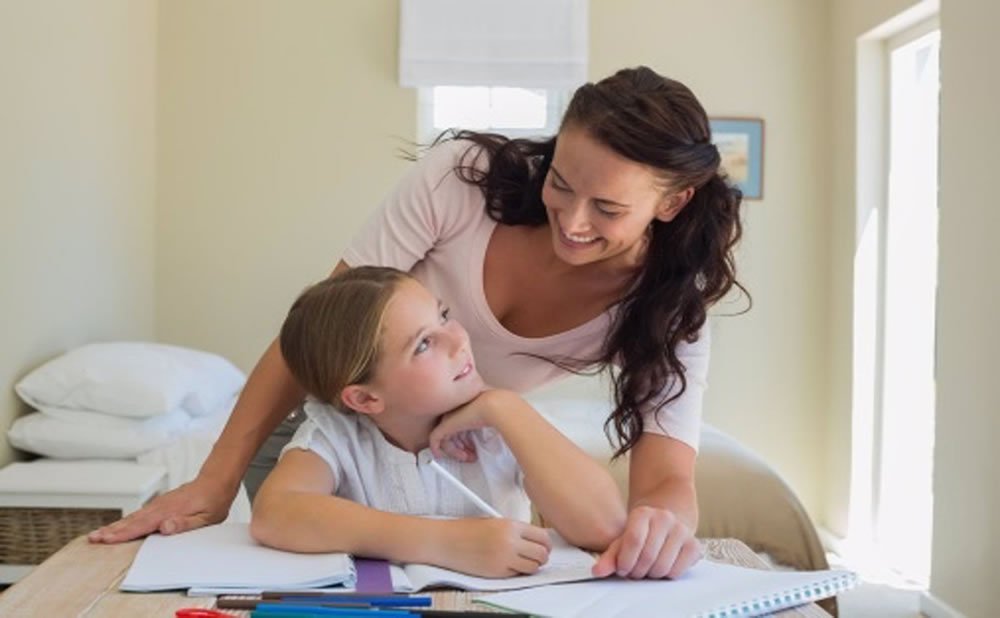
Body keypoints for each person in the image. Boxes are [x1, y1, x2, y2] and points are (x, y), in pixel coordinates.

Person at [91, 66, 745, 581]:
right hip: (353, 443)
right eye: (561, 182)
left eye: (606, 207)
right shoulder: (459, 183)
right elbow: (324, 326)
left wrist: (657, 525)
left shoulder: (667, 306)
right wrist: (215, 479)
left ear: (673, 202)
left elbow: (662, 482)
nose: (572, 221)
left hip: (467, 451)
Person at [251, 266, 624, 577]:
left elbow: (605, 524)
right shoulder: (336, 433)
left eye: (444, 316)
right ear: (365, 399)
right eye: (424, 344)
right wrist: (445, 542)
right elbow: (275, 513)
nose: (458, 341)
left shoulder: (499, 426)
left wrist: (504, 407)